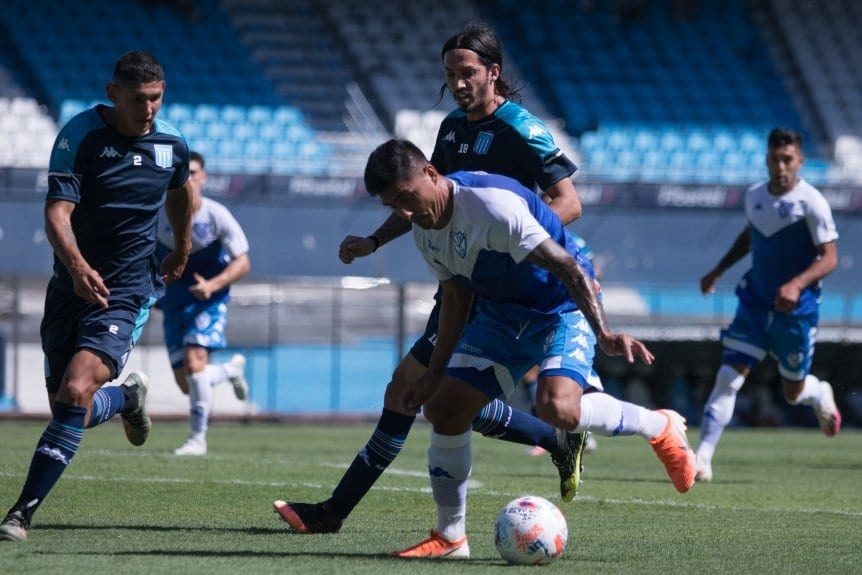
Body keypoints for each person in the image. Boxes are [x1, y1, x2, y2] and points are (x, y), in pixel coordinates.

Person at [274, 21, 588, 535]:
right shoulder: (450, 130)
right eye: (449, 74)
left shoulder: (522, 128)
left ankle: (336, 513)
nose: (459, 83)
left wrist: (511, 251)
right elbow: (422, 199)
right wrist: (373, 241)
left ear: (493, 72)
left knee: (416, 393)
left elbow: (567, 203)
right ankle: (556, 441)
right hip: (461, 284)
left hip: (497, 290)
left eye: (467, 73)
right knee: (425, 395)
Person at [360, 139, 696, 559]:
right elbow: (456, 300)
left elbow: (567, 266)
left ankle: (658, 426)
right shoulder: (426, 233)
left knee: (559, 409)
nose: (406, 214)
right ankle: (450, 537)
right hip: (501, 315)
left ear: (430, 173)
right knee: (444, 408)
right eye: (395, 207)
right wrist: (433, 373)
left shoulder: (491, 206)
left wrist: (605, 333)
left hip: (561, 305)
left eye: (408, 198)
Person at [0, 51, 193, 543]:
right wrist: (78, 266)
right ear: (113, 94)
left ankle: (20, 514)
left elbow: (179, 193)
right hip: (70, 286)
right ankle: (127, 396)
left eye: (156, 98)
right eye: (137, 99)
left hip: (126, 290)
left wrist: (182, 245)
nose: (148, 108)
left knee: (75, 389)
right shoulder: (80, 136)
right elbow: (57, 213)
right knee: (73, 412)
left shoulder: (171, 143)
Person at [694, 127, 841, 483]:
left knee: (793, 393)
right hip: (756, 302)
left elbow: (830, 257)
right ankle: (702, 459)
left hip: (797, 312)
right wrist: (717, 270)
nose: (780, 166)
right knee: (728, 377)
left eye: (787, 159)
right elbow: (751, 235)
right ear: (766, 159)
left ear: (800, 161)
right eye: (775, 159)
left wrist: (796, 282)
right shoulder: (754, 195)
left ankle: (819, 392)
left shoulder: (812, 202)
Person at [156, 151, 251, 456]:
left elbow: (243, 261)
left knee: (196, 366)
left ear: (203, 177)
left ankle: (197, 439)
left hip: (208, 299)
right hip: (173, 300)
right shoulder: (158, 214)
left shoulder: (216, 215)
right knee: (187, 382)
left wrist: (212, 285)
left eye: (193, 172)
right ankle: (229, 372)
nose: (187, 179)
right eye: (181, 174)